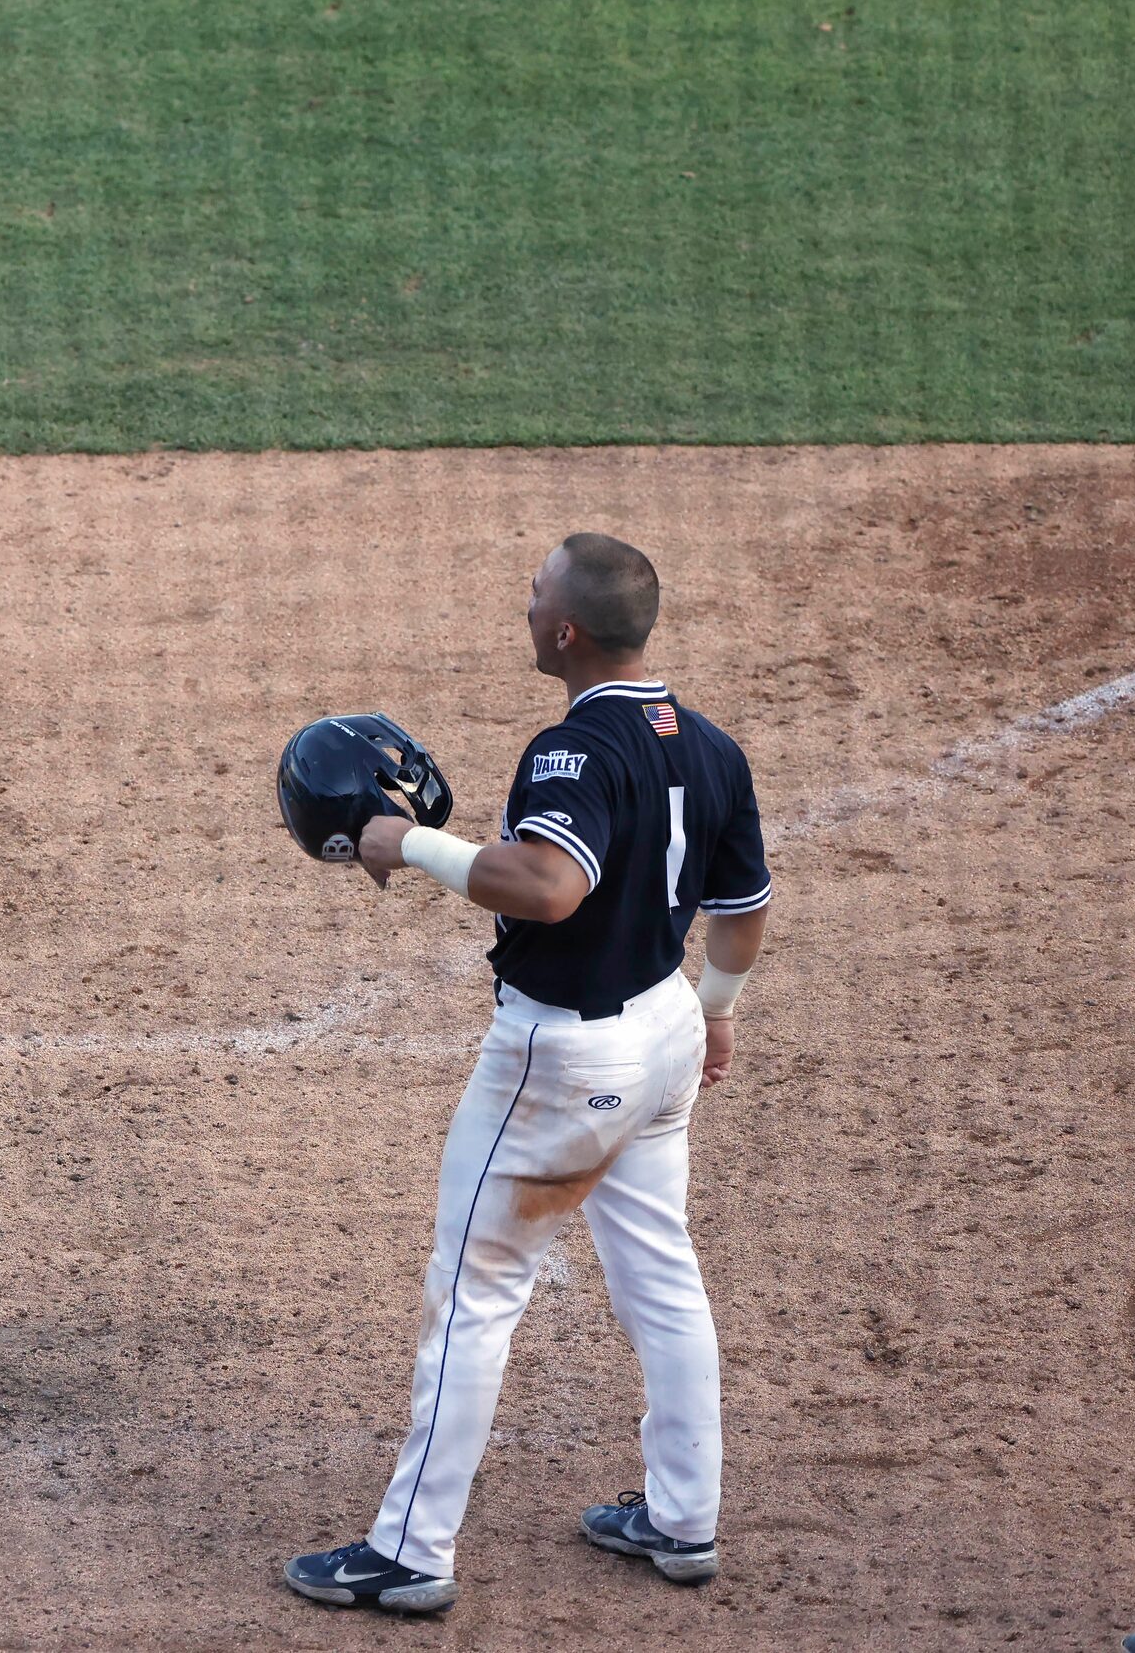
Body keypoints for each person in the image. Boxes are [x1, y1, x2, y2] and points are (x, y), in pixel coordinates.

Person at [282, 533, 774, 1615]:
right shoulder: (711, 746)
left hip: (562, 1062)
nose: (524, 602)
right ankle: (682, 1519)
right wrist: (715, 1013)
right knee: (660, 1273)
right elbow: (740, 915)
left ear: (563, 631)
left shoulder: (572, 752)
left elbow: (545, 887)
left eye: (534, 592)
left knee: (471, 1292)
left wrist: (398, 844)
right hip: (662, 1033)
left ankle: (409, 1553)